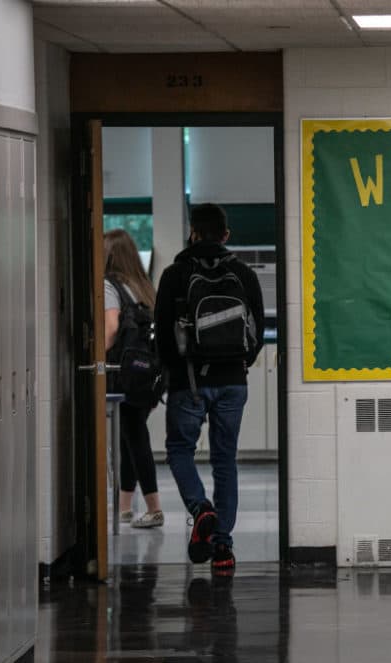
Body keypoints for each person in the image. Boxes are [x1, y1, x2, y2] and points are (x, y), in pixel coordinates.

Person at [155, 203, 264, 576]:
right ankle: (222, 550)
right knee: (225, 460)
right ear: (226, 235)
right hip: (234, 381)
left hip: (189, 381)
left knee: (179, 449)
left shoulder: (174, 274)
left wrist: (173, 374)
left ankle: (201, 509)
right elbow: (258, 331)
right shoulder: (243, 273)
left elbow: (163, 335)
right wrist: (240, 365)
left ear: (193, 233)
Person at [104, 229, 164, 529]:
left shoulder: (109, 285)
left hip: (122, 374)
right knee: (131, 435)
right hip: (147, 373)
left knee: (134, 438)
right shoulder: (142, 286)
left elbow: (111, 328)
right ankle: (125, 507)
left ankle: (154, 507)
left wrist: (96, 357)